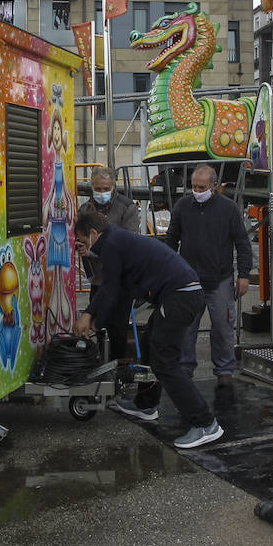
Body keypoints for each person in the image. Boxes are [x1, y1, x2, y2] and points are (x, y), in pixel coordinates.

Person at [71, 209, 223, 450]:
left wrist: (89, 316)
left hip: (179, 297)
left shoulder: (111, 244)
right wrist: (95, 317)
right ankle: (146, 404)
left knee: (165, 363)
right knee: (152, 345)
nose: (81, 246)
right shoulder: (117, 240)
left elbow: (109, 289)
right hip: (182, 294)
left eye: (81, 240)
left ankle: (206, 424)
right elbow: (117, 288)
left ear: (93, 233)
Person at [164, 165, 254, 388]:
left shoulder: (229, 209)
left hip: (220, 279)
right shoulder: (182, 206)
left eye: (201, 187)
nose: (196, 190)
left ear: (214, 186)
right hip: (188, 281)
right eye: (194, 186)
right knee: (185, 329)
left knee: (223, 327)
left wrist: (244, 275)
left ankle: (224, 370)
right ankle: (184, 369)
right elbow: (171, 239)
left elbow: (242, 242)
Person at [77, 167, 142, 357]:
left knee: (118, 325)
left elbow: (128, 242)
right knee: (96, 320)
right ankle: (97, 359)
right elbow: (80, 235)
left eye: (105, 188)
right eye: (97, 188)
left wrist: (95, 251)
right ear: (91, 187)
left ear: (113, 187)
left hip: (121, 277)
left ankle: (118, 364)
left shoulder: (126, 207)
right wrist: (80, 245)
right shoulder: (86, 209)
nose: (101, 193)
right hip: (98, 277)